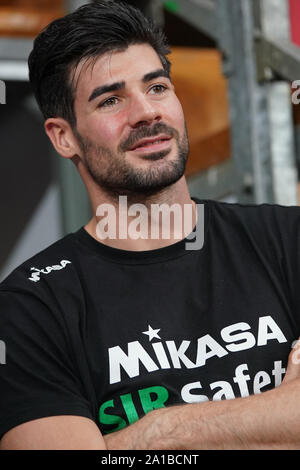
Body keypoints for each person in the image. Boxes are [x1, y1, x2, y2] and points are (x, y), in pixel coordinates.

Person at [1, 0, 300, 450]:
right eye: (111, 99)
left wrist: (126, 443)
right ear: (64, 137)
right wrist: (167, 430)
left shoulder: (287, 240)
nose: (145, 113)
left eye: (157, 87)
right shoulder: (30, 309)